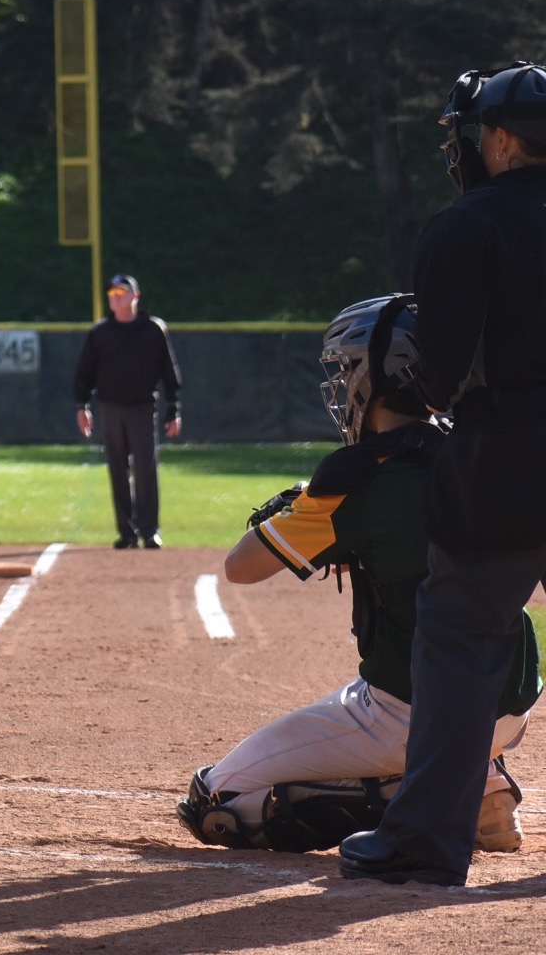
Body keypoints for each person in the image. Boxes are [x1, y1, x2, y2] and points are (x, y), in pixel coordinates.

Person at [176, 295, 534, 857]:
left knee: (217, 803)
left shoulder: (357, 480)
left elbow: (240, 568)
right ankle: (485, 784)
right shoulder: (481, 454)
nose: (341, 386)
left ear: (378, 377)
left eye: (346, 371)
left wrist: (305, 501)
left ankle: (420, 797)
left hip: (410, 712)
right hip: (512, 698)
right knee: (465, 629)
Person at [343, 63, 546, 886]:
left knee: (461, 642)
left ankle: (427, 842)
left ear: (499, 140)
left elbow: (437, 377)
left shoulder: (466, 225)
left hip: (504, 452)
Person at [73, 273, 182, 549]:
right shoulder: (100, 332)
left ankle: (149, 530)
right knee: (118, 471)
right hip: (110, 408)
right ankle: (126, 532)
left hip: (142, 409)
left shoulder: (153, 329)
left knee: (146, 470)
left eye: (122, 292)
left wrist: (174, 408)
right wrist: (82, 406)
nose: (116, 297)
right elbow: (85, 373)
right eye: (112, 293)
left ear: (135, 296)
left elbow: (169, 371)